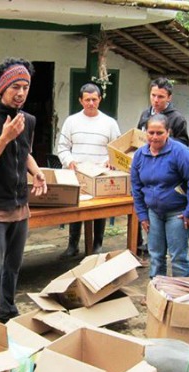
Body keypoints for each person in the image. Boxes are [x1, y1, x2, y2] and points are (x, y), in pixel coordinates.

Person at [0, 57, 47, 323]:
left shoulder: (28, 120)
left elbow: (25, 154)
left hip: (20, 208)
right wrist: (4, 138)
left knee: (13, 268)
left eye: (25, 87)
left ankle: (7, 312)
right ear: (1, 88)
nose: (21, 93)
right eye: (15, 86)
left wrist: (36, 171)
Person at [131, 114, 189, 278]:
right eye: (151, 133)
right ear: (145, 133)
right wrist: (142, 214)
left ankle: (182, 298)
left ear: (168, 132)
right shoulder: (140, 155)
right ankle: (158, 295)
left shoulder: (180, 152)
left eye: (159, 133)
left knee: (178, 257)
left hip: (178, 213)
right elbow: (136, 187)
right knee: (156, 256)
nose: (154, 137)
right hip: (153, 213)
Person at [57, 83, 121, 257]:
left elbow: (117, 150)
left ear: (100, 99)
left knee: (100, 211)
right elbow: (62, 147)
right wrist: (69, 161)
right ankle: (73, 245)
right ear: (80, 100)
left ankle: (97, 244)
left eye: (94, 99)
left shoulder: (110, 123)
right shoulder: (71, 121)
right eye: (87, 100)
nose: (91, 103)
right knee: (75, 209)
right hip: (77, 174)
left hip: (100, 176)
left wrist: (110, 161)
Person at [137, 77, 189, 146]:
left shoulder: (177, 119)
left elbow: (183, 145)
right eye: (153, 95)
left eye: (160, 97)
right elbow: (137, 136)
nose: (156, 100)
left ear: (169, 98)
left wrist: (164, 139)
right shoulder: (145, 114)